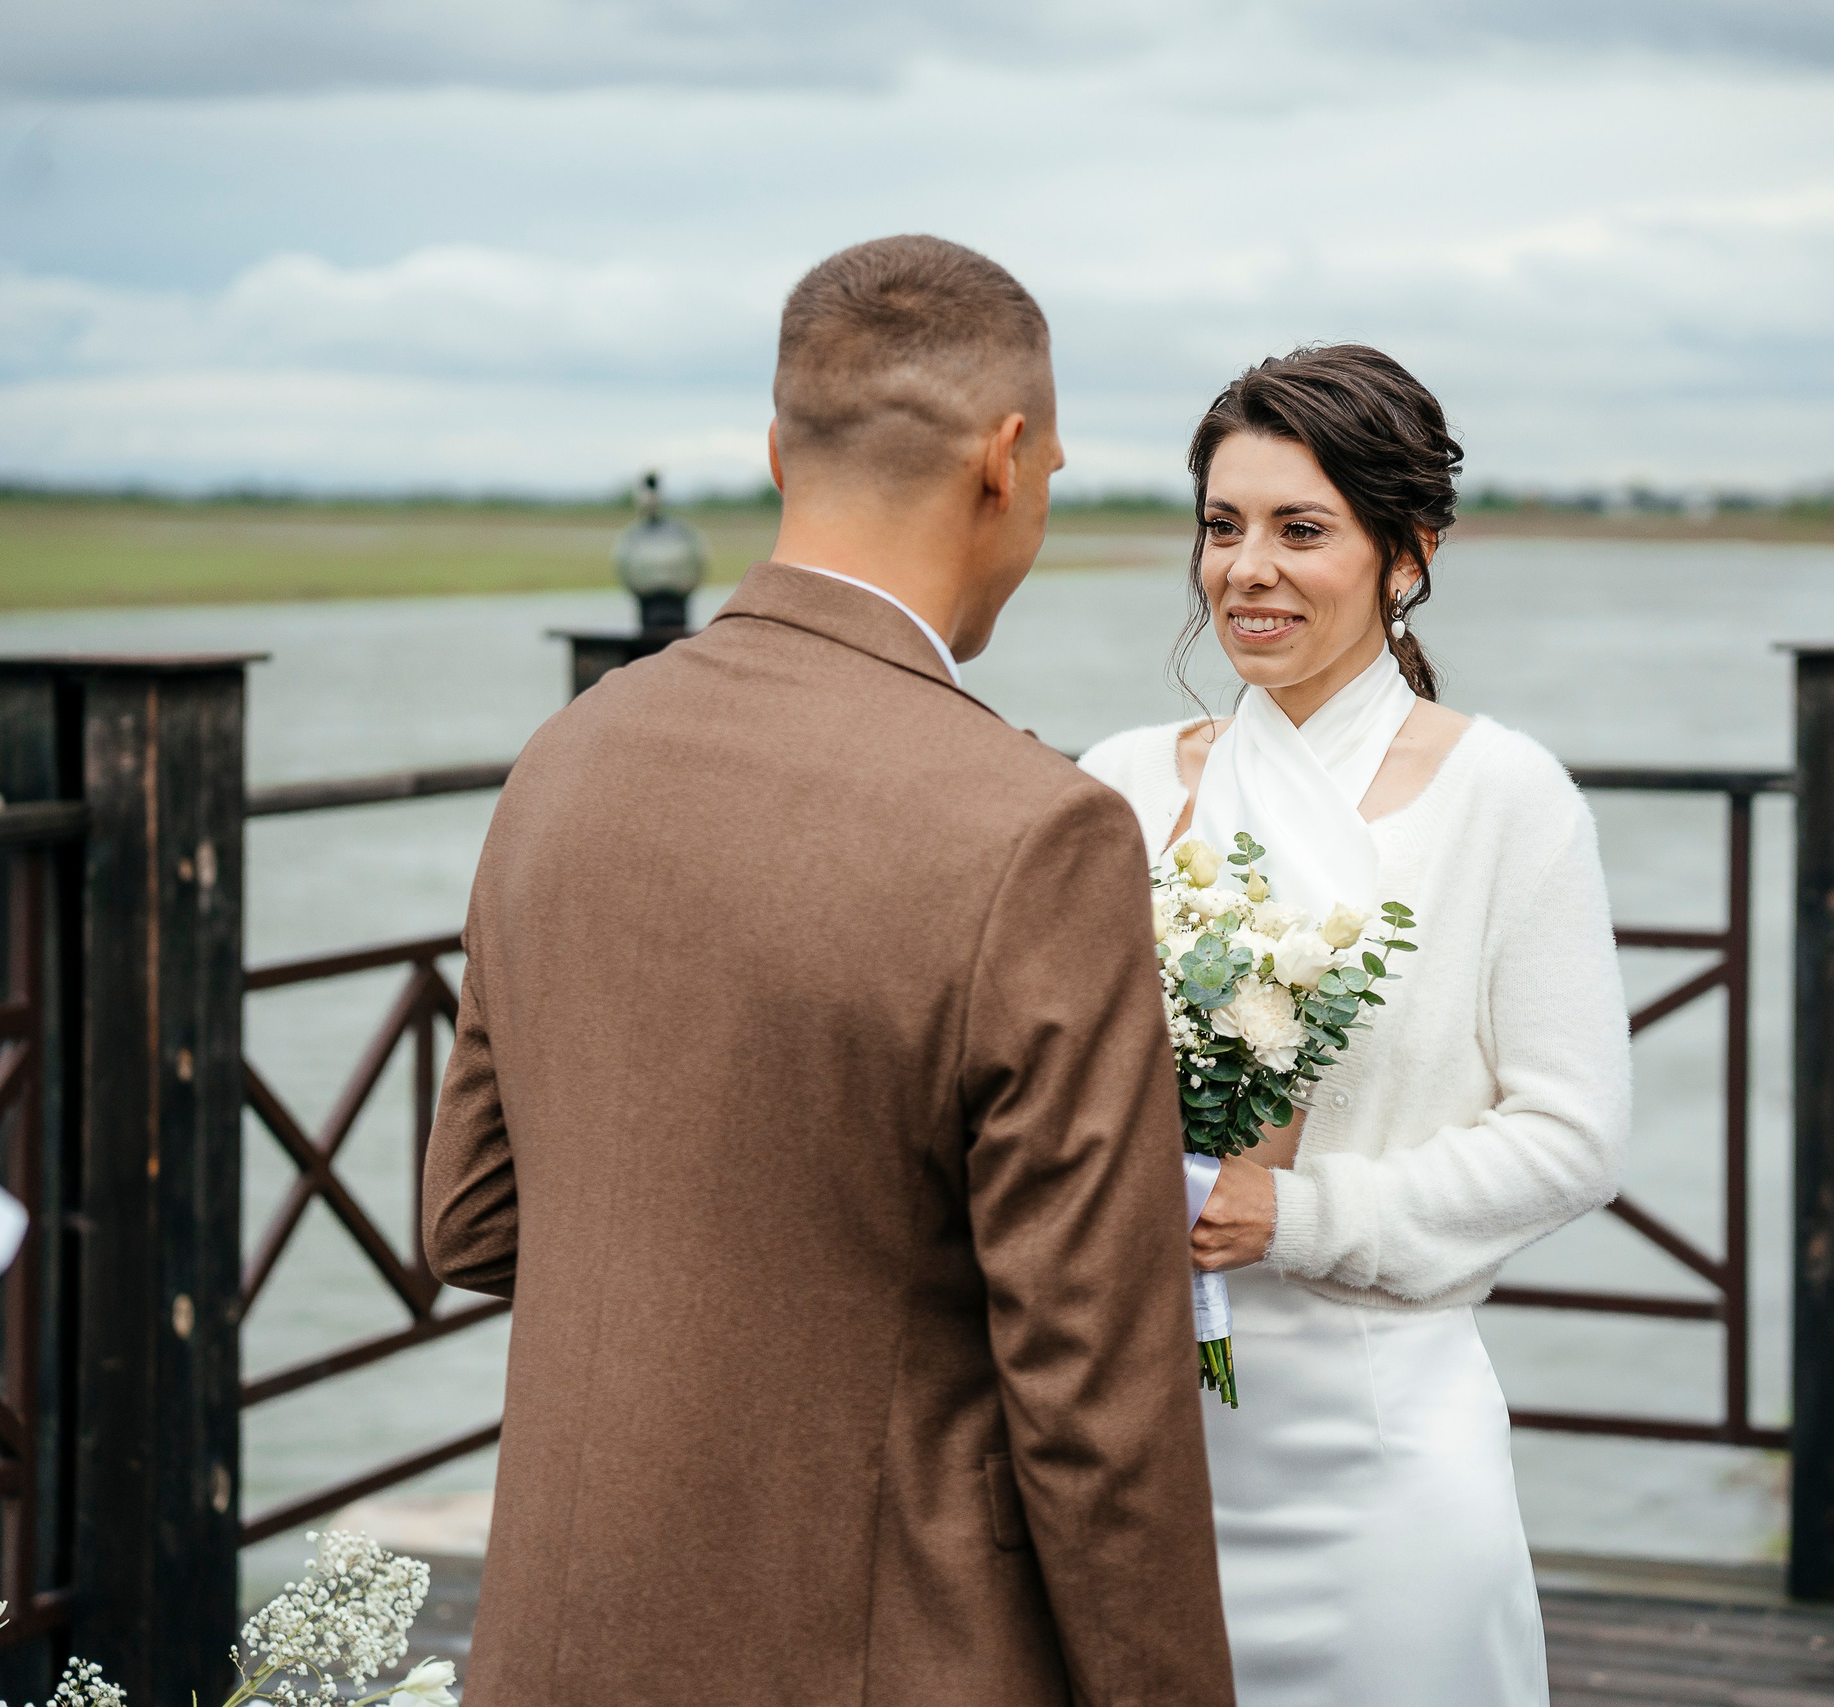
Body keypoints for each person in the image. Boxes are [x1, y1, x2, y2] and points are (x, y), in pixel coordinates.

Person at [423, 235, 1234, 1707]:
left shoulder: (566, 757)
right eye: (1049, 470)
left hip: (557, 1639)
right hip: (888, 1649)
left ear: (778, 452)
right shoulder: (1035, 831)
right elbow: (1097, 1399)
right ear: (1004, 460)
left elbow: (471, 1216)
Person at [1080, 345, 1632, 1706]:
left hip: (1382, 1441)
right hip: (1132, 1438)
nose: (1246, 567)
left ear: (1410, 552)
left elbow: (1573, 1134)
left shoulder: (1506, 796)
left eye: (1300, 528)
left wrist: (1297, 1213)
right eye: (1223, 525)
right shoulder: (1120, 787)